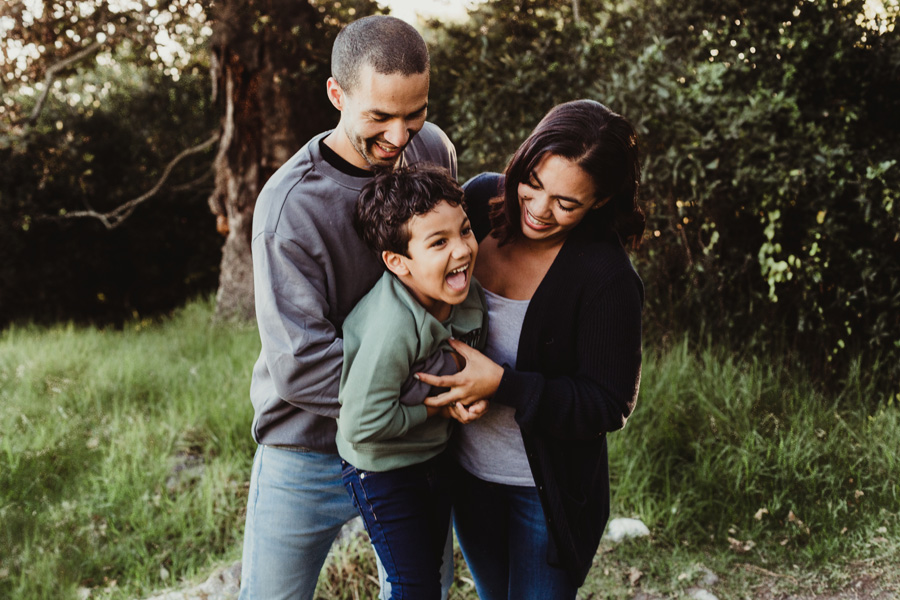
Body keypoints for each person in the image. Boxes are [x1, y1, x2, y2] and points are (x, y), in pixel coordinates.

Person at [241, 15, 475, 600]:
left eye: (414, 112)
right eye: (379, 116)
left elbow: (451, 268)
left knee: (423, 592)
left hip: (411, 450)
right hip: (306, 448)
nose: (400, 137)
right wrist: (432, 394)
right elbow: (300, 364)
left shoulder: (433, 148)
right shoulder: (288, 209)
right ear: (336, 94)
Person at [416, 99, 645, 599]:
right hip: (467, 477)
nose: (539, 210)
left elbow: (608, 403)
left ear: (601, 201)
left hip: (546, 495)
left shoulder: (606, 276)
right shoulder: (476, 203)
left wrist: (503, 385)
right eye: (534, 185)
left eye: (566, 203)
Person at [337, 164, 488, 599]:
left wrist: (467, 394)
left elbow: (464, 363)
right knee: (413, 585)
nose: (461, 251)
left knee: (432, 576)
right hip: (381, 468)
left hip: (434, 454)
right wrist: (436, 406)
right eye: (439, 242)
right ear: (397, 262)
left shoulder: (464, 293)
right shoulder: (392, 328)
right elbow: (361, 424)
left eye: (465, 231)